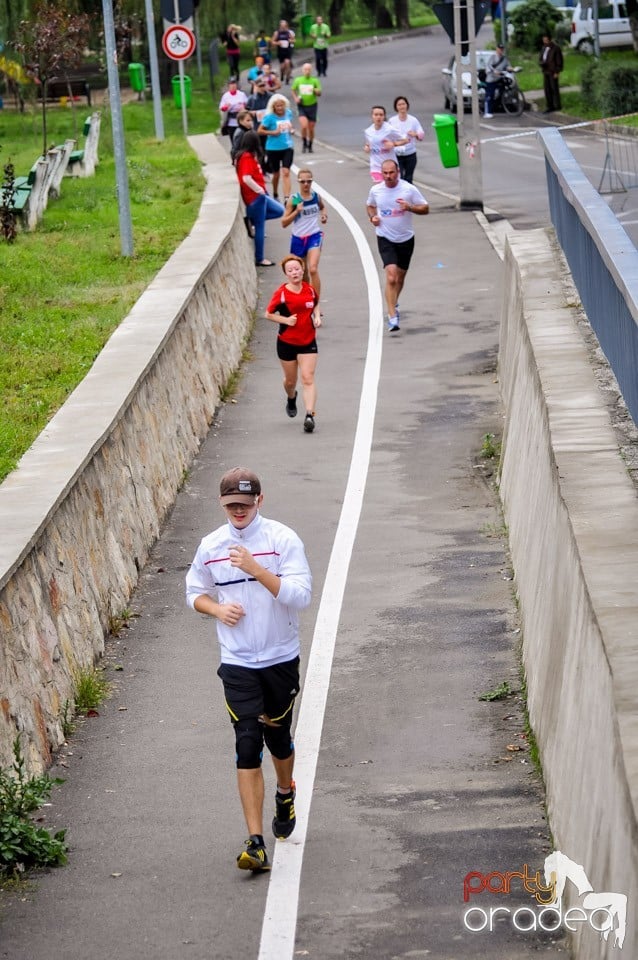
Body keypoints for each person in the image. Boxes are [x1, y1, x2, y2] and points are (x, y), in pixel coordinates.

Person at [186, 466, 312, 873]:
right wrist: (217, 609)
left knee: (278, 737)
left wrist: (257, 570)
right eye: (230, 505)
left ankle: (285, 790)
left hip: (279, 659)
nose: (238, 511)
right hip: (237, 661)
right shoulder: (211, 545)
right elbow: (193, 592)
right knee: (246, 742)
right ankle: (256, 842)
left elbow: (300, 596)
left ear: (260, 499)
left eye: (244, 503)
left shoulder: (281, 540)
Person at [366, 158, 429, 333]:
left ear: (397, 172)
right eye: (385, 173)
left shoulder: (408, 189)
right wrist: (373, 218)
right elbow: (370, 205)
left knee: (400, 279)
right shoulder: (376, 190)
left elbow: (425, 208)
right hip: (385, 237)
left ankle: (394, 301)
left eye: (391, 173)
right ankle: (392, 315)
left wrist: (409, 207)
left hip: (406, 239)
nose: (388, 176)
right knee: (391, 276)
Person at [265, 254, 321, 433]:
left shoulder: (310, 290)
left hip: (307, 341)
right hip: (287, 342)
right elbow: (268, 314)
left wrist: (317, 316)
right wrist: (286, 320)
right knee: (291, 381)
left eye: (297, 269)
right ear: (286, 274)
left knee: (308, 378)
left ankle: (309, 415)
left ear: (302, 269)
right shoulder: (281, 293)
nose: (294, 272)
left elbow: (315, 304)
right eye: (290, 270)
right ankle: (291, 397)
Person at [235, 132, 284, 266]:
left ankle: (252, 220)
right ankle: (260, 258)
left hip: (259, 197)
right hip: (255, 198)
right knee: (260, 229)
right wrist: (259, 190)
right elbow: (246, 178)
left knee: (279, 210)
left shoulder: (247, 156)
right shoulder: (246, 157)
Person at [281, 169, 328, 298]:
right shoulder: (295, 200)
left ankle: (316, 303)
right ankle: (307, 298)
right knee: (303, 272)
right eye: (303, 182)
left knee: (313, 269)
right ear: (299, 182)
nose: (306, 184)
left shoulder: (316, 196)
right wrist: (297, 211)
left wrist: (324, 215)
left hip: (314, 236)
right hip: (298, 239)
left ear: (312, 182)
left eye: (308, 181)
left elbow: (322, 207)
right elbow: (284, 223)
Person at [258, 93, 295, 201]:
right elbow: (259, 131)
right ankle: (275, 193)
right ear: (273, 107)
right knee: (276, 174)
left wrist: (291, 130)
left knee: (286, 172)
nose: (280, 108)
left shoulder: (288, 113)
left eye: (281, 105)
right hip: (273, 149)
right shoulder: (269, 117)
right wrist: (273, 132)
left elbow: (289, 125)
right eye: (277, 106)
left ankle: (287, 198)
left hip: (287, 147)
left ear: (285, 105)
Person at [364, 105, 408, 183]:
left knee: (392, 190)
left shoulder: (389, 129)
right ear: (372, 116)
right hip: (376, 167)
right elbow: (369, 143)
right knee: (380, 190)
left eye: (381, 115)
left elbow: (406, 140)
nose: (378, 117)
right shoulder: (368, 131)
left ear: (384, 116)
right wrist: (367, 147)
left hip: (390, 167)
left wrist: (393, 144)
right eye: (376, 115)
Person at [388, 96, 425, 184]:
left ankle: (407, 197)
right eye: (399, 105)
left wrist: (415, 134)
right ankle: (399, 196)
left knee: (408, 178)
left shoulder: (413, 120)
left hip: (410, 154)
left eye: (403, 104)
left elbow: (421, 135)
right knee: (400, 178)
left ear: (407, 106)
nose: (402, 107)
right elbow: (387, 136)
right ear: (396, 107)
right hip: (397, 154)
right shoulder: (392, 121)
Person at [291, 61, 322, 154]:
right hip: (302, 106)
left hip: (312, 106)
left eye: (309, 69)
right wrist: (296, 98)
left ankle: (310, 144)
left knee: (311, 128)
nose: (307, 71)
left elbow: (319, 93)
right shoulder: (298, 80)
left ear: (311, 70)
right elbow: (293, 89)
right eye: (305, 69)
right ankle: (304, 142)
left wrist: (315, 90)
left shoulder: (314, 80)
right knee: (304, 126)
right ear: (302, 70)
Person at [483, 43, 511, 118]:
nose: (500, 50)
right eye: (499, 49)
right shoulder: (492, 57)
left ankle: (500, 103)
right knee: (490, 95)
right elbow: (489, 65)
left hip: (500, 78)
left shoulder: (504, 58)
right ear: (497, 49)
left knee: (505, 87)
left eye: (502, 49)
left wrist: (510, 68)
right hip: (491, 78)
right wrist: (494, 71)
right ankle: (487, 112)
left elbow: (508, 65)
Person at [539, 32, 563, 114]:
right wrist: (542, 63)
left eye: (546, 40)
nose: (545, 41)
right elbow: (541, 58)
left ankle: (557, 105)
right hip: (546, 71)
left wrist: (557, 71)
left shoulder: (555, 48)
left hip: (553, 71)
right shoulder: (544, 48)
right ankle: (550, 105)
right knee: (547, 89)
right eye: (544, 40)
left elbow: (559, 60)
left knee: (554, 89)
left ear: (549, 40)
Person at [272, 19, 295, 84]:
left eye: (285, 26)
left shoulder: (289, 32)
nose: (283, 27)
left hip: (288, 50)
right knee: (282, 67)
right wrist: (277, 43)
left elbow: (293, 40)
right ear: (280, 26)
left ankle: (287, 78)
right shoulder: (277, 33)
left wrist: (291, 41)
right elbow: (272, 41)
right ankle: (282, 74)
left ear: (286, 26)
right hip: (280, 51)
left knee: (287, 63)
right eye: (282, 26)